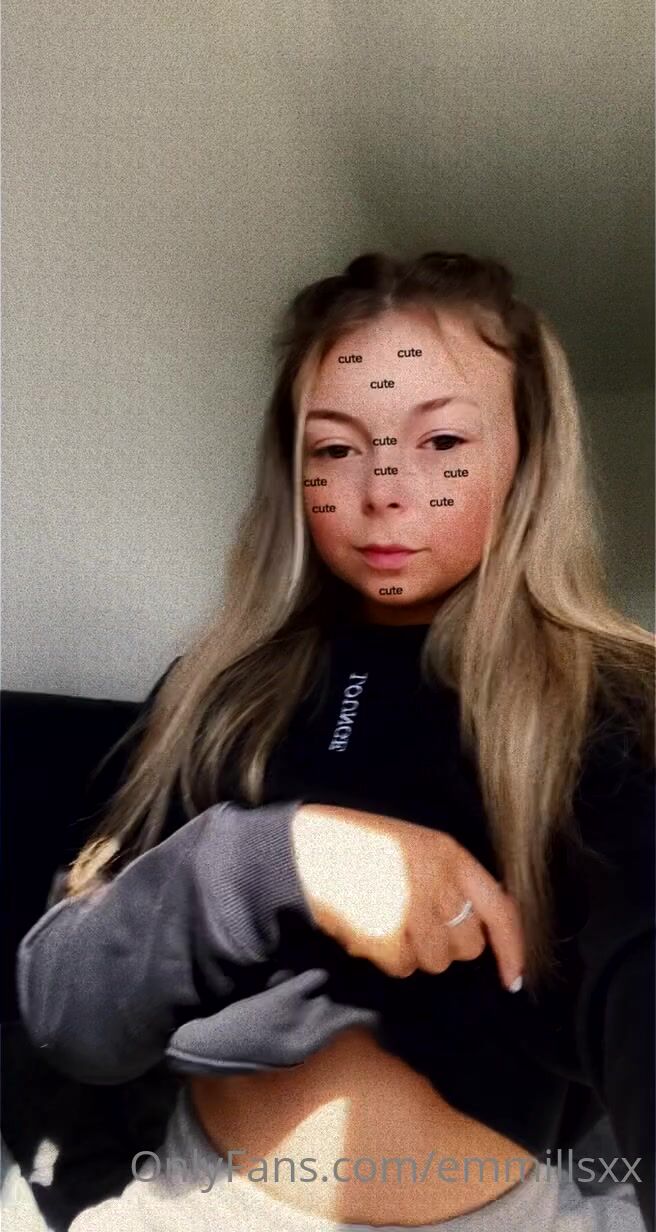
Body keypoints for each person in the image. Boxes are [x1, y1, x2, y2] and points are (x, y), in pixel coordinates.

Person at [17, 251, 655, 1232]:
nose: (384, 491)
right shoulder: (216, 690)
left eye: (442, 440)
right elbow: (67, 1007)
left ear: (528, 457)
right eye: (335, 448)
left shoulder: (612, 700)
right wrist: (274, 860)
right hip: (186, 1199)